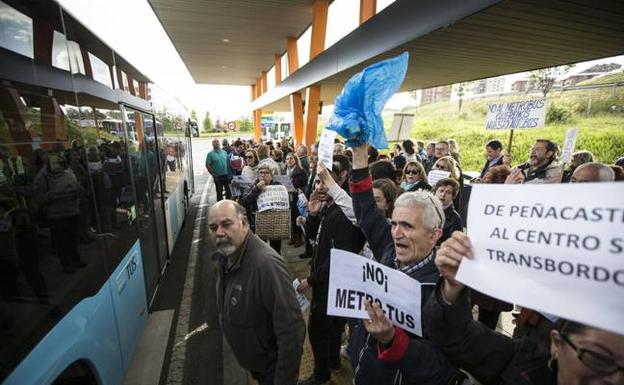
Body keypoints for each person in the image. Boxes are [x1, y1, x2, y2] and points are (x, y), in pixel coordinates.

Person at [424, 231, 624, 385]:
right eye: (598, 358)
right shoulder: (526, 363)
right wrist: (452, 288)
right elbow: (457, 338)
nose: (616, 379)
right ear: (557, 344)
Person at [345, 143, 460, 385]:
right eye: (395, 223)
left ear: (434, 234)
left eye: (407, 226)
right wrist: (358, 157)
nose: (396, 233)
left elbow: (440, 368)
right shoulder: (388, 247)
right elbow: (366, 210)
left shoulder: (445, 289)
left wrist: (392, 340)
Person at [208, 200, 305, 385]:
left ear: (244, 222)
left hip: (271, 369)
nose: (219, 232)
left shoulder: (267, 265)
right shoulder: (224, 256)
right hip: (256, 362)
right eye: (213, 227)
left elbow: (292, 331)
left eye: (226, 224)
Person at [296, 162, 366, 385]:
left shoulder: (345, 215)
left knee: (318, 330)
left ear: (339, 181)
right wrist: (314, 216)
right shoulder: (328, 209)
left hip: (331, 283)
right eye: (317, 181)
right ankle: (334, 362)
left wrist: (310, 280)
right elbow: (314, 241)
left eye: (324, 181)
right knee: (334, 326)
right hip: (328, 281)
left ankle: (321, 375)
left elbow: (338, 257)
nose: (318, 187)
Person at [241, 163, 284, 253]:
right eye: (261, 173)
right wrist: (257, 189)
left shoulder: (278, 185)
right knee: (261, 250)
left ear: (271, 175)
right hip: (258, 222)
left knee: (276, 249)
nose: (263, 175)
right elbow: (245, 201)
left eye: (266, 173)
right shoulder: (253, 186)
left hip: (274, 223)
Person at [285, 152, 308, 247]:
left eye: (291, 158)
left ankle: (299, 238)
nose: (289, 160)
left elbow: (305, 185)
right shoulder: (284, 170)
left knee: (297, 216)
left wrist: (297, 190)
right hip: (287, 198)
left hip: (297, 198)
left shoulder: (301, 171)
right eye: (287, 159)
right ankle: (293, 237)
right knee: (291, 218)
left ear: (295, 160)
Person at [433, 178, 462, 245]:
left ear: (453, 196)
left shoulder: (455, 219)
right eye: (441, 191)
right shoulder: (424, 209)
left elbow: (453, 244)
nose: (443, 194)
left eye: (448, 193)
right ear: (435, 192)